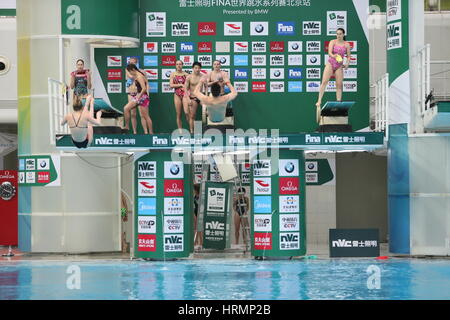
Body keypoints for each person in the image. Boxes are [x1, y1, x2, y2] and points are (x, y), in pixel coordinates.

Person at [315, 28, 351, 109]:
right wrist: (333, 55)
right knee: (324, 82)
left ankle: (338, 102)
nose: (338, 35)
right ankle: (319, 100)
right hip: (331, 63)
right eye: (337, 34)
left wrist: (347, 64)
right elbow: (329, 52)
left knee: (339, 84)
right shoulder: (333, 41)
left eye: (340, 34)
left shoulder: (346, 44)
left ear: (343, 34)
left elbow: (348, 56)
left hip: (339, 66)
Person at [123, 64, 153, 134]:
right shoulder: (137, 74)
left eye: (130, 71)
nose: (130, 73)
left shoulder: (139, 76)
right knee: (126, 108)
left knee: (146, 116)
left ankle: (151, 133)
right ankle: (127, 126)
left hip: (142, 97)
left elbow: (144, 88)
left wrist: (138, 97)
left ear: (133, 70)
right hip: (139, 96)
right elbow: (130, 76)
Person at [170, 60, 190, 132]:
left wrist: (186, 89)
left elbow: (189, 86)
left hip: (185, 94)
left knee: (187, 112)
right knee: (178, 114)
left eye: (180, 64)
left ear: (182, 65)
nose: (179, 65)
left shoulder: (187, 75)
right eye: (177, 64)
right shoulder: (173, 74)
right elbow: (171, 85)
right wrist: (181, 85)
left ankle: (191, 130)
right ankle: (180, 131)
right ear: (175, 65)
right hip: (177, 95)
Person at [184, 62, 204, 134]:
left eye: (199, 68)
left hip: (201, 97)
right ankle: (192, 131)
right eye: (196, 68)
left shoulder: (203, 76)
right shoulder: (189, 77)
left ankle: (209, 129)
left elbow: (207, 87)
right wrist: (188, 99)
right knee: (192, 115)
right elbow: (185, 89)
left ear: (200, 69)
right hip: (193, 98)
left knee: (208, 112)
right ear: (193, 68)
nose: (197, 69)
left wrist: (205, 97)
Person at [125, 57, 139, 134]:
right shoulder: (127, 70)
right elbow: (131, 77)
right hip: (131, 93)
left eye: (133, 63)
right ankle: (134, 132)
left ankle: (136, 131)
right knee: (132, 113)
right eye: (130, 63)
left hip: (139, 93)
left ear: (136, 63)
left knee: (139, 114)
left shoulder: (139, 71)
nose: (131, 64)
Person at [193, 184, 203, 249]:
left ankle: (201, 243)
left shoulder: (201, 197)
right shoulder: (195, 197)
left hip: (200, 214)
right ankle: (196, 242)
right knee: (196, 229)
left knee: (199, 229)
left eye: (194, 190)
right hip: (195, 213)